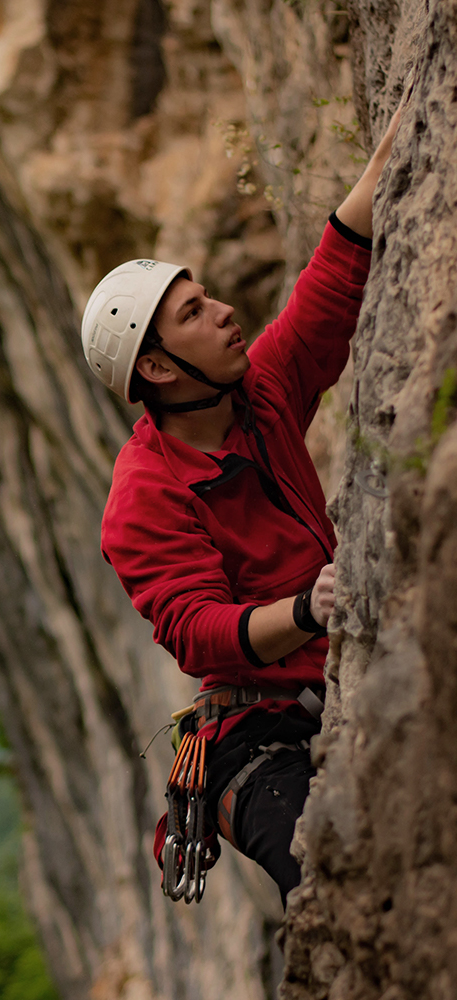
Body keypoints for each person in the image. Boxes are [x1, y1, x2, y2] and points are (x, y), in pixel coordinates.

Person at [80, 110, 401, 906]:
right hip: (251, 739)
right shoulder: (143, 496)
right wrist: (307, 606)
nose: (223, 312)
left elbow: (327, 289)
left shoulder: (258, 394)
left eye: (207, 297)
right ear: (156, 366)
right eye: (193, 314)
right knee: (337, 888)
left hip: (329, 681)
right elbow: (197, 629)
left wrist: (399, 142)